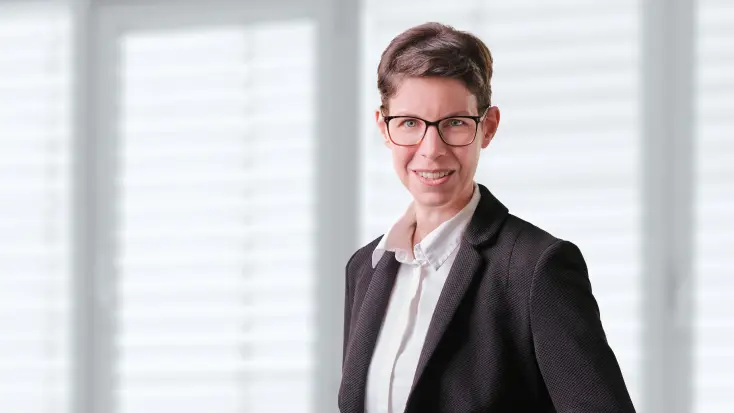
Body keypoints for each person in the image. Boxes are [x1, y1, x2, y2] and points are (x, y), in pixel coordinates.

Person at [338, 22, 636, 413]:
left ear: (488, 127)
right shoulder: (366, 267)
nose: (431, 149)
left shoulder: (535, 269)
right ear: (384, 127)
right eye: (410, 123)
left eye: (455, 123)